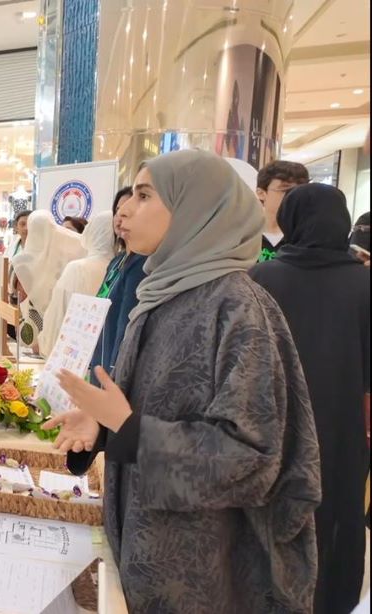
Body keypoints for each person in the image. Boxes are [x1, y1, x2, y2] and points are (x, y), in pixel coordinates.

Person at [46, 150, 321, 613]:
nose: (126, 210)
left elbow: (251, 459)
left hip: (211, 574)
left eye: (145, 195)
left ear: (196, 208)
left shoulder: (238, 308)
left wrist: (128, 428)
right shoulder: (163, 292)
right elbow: (155, 411)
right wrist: (103, 427)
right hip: (154, 556)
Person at [248, 183, 370, 614]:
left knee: (268, 516)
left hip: (272, 423)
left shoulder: (262, 278)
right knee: (333, 517)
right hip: (340, 426)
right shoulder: (364, 282)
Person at [87, 187, 146, 381]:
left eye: (129, 209)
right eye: (117, 209)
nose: (120, 216)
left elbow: (127, 325)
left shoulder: (141, 264)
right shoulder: (117, 261)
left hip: (114, 369)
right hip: (99, 356)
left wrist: (116, 375)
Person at [38, 212, 115, 357]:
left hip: (72, 356)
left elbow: (57, 316)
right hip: (104, 355)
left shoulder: (78, 268)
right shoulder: (118, 269)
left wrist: (45, 344)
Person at [9, 211, 85, 337]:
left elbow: (16, 296)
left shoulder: (21, 262)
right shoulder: (64, 259)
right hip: (55, 323)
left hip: (42, 323)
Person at [255, 160, 309, 262]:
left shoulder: (306, 239)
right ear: (261, 193)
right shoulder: (245, 237)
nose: (294, 197)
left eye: (300, 191)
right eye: (285, 190)